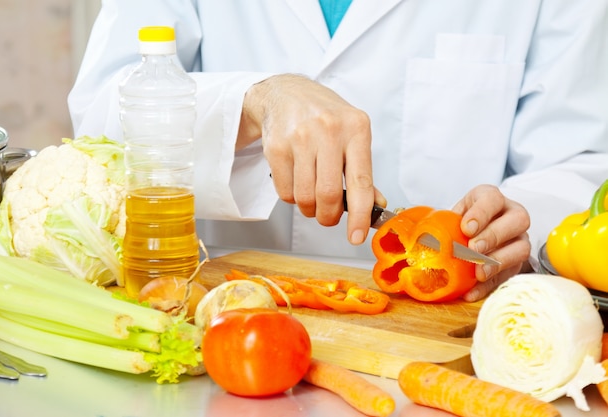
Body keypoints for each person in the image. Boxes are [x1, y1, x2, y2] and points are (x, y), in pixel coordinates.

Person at [68, 0, 608, 302]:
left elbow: (584, 158)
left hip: (447, 336)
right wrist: (254, 100)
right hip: (220, 320)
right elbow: (98, 118)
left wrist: (525, 225)